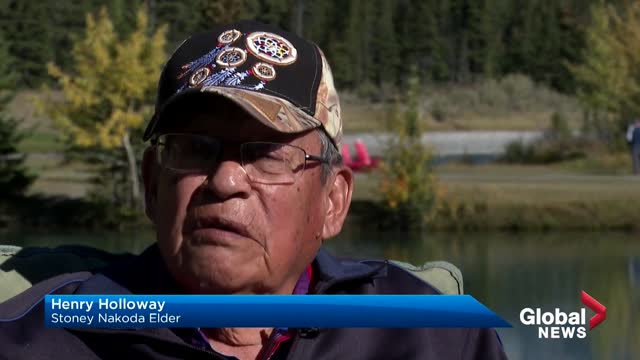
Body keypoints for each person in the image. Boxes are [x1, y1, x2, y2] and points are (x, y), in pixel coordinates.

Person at [0, 21, 507, 359]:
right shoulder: (41, 338)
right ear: (152, 183)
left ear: (333, 201)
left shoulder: (435, 335)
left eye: (267, 154)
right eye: (196, 149)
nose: (224, 180)